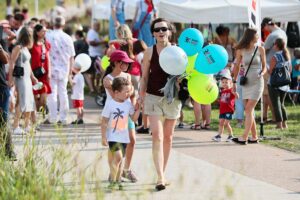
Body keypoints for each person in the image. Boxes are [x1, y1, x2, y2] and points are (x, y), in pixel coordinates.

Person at [139, 18, 182, 190]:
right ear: (153, 34)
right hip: (153, 96)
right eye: (157, 30)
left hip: (172, 97)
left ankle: (161, 174)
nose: (161, 32)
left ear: (170, 31)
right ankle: (160, 176)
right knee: (157, 135)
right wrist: (141, 95)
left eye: (164, 29)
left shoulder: (178, 51)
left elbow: (183, 75)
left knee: (168, 137)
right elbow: (144, 76)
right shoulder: (149, 52)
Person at [102, 50, 138, 183]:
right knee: (115, 144)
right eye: (125, 63)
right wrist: (130, 92)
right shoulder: (108, 79)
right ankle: (114, 172)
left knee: (132, 140)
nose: (128, 65)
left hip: (127, 110)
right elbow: (116, 96)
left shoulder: (128, 76)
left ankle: (126, 170)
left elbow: (131, 94)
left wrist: (134, 105)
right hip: (116, 113)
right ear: (117, 63)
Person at [232, 28, 267, 145]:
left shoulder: (261, 49)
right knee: (249, 111)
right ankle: (254, 137)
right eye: (257, 34)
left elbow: (264, 67)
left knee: (248, 109)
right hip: (246, 83)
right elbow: (236, 66)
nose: (259, 36)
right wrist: (234, 82)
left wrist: (262, 73)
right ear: (251, 36)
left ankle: (244, 137)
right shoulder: (241, 50)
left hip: (257, 82)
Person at [45, 16, 75, 124]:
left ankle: (53, 117)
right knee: (63, 93)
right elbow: (72, 56)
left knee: (52, 94)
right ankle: (63, 118)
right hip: (64, 69)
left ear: (53, 24)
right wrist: (71, 72)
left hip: (51, 68)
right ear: (63, 25)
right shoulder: (68, 38)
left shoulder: (48, 36)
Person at [8, 26, 37, 134]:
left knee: (29, 100)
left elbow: (27, 64)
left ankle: (26, 125)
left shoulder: (25, 48)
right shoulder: (18, 47)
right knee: (21, 101)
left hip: (27, 78)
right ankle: (16, 126)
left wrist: (33, 77)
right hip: (20, 78)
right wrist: (11, 79)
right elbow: (12, 63)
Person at [267, 38, 291, 129]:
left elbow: (270, 71)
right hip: (285, 83)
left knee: (276, 104)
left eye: (274, 44)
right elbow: (290, 69)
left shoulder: (275, 56)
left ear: (276, 45)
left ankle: (279, 125)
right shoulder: (287, 55)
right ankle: (285, 124)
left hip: (275, 83)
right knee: (281, 103)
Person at [0, 36, 16, 160]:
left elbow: (6, 60)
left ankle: (9, 151)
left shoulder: (2, 41)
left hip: (1, 87)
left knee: (4, 120)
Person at [31, 24, 51, 115]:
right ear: (37, 32)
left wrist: (49, 73)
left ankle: (41, 114)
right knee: (36, 98)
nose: (45, 33)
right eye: (43, 31)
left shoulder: (45, 44)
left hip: (43, 75)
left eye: (45, 31)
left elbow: (48, 59)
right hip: (34, 75)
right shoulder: (31, 44)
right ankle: (36, 118)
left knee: (43, 98)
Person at [212, 73, 238, 142]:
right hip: (222, 110)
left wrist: (235, 94)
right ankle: (219, 136)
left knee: (226, 123)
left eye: (226, 82)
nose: (224, 84)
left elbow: (237, 97)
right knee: (221, 123)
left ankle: (231, 135)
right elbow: (222, 100)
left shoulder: (231, 90)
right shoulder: (223, 91)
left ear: (230, 83)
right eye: (223, 82)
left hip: (229, 110)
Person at [86, 20, 105, 94]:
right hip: (94, 55)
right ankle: (94, 89)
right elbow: (91, 43)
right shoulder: (92, 32)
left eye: (99, 25)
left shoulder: (95, 32)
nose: (99, 27)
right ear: (94, 25)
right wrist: (102, 42)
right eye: (97, 25)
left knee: (96, 73)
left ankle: (95, 88)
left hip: (97, 54)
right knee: (95, 73)